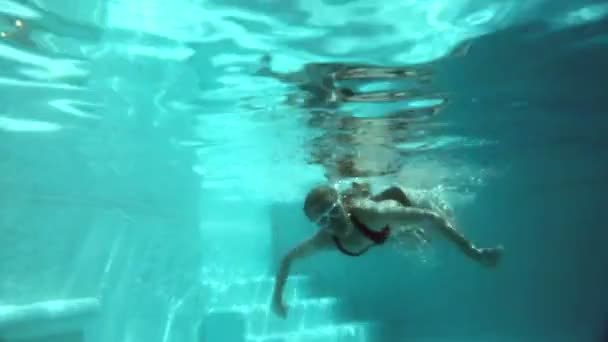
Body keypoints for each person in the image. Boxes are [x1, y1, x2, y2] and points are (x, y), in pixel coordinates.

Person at [271, 182, 503, 318]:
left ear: (343, 205)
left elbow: (430, 217)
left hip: (405, 200)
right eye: (323, 220)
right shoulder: (325, 240)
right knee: (418, 250)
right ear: (317, 226)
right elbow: (287, 259)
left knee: (444, 222)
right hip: (387, 232)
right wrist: (276, 299)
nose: (332, 222)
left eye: (334, 211)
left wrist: (474, 252)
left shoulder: (372, 214)